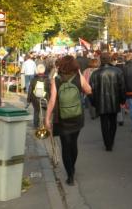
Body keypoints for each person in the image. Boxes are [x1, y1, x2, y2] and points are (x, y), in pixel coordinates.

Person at [45, 55, 92, 186]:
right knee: (74, 143)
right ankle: (73, 167)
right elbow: (89, 90)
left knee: (65, 146)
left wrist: (47, 118)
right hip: (77, 116)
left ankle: (70, 175)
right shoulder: (78, 76)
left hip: (62, 118)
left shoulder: (56, 80)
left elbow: (52, 101)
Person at [89, 52, 126, 151]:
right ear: (109, 59)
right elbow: (122, 87)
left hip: (101, 102)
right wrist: (123, 100)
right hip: (114, 101)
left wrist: (93, 102)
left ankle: (107, 143)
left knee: (104, 123)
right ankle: (111, 141)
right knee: (113, 122)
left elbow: (90, 90)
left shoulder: (95, 73)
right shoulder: (117, 71)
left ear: (101, 60)